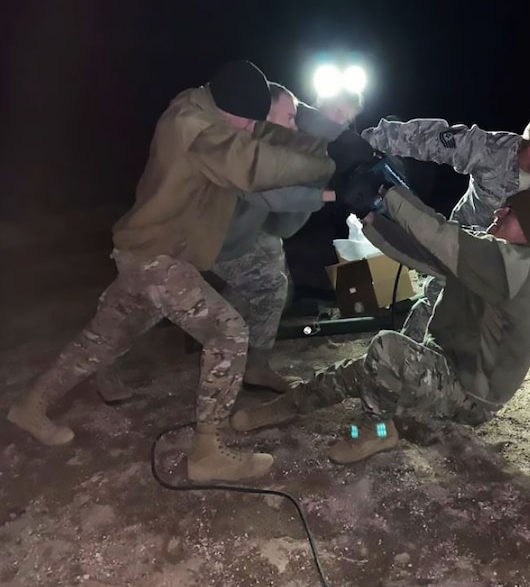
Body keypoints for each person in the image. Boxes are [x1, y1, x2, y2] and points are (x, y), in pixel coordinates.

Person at [6, 60, 335, 483]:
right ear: (229, 111)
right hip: (156, 258)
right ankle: (206, 452)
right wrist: (322, 167)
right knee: (228, 332)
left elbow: (260, 134)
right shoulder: (194, 128)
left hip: (152, 256)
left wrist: (318, 143)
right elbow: (251, 163)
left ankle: (30, 406)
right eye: (247, 122)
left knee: (102, 340)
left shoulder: (209, 108)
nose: (251, 128)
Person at [230, 184, 530, 463]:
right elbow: (421, 252)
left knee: (388, 350)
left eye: (510, 211)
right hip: (448, 364)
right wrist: (370, 217)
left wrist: (386, 190)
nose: (499, 213)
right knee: (365, 367)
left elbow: (438, 233)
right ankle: (285, 406)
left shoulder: (512, 265)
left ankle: (377, 430)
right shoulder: (496, 256)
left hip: (471, 395)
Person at [355, 106, 530, 412]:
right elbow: (431, 138)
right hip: (474, 238)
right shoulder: (489, 150)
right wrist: (367, 142)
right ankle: (405, 369)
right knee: (435, 301)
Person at [206, 84, 364, 392]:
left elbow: (285, 216)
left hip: (252, 226)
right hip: (214, 229)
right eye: (336, 111)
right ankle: (236, 351)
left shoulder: (304, 135)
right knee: (270, 285)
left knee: (274, 285)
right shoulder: (282, 126)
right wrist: (335, 194)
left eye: (346, 118)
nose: (339, 121)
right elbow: (274, 195)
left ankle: (238, 349)